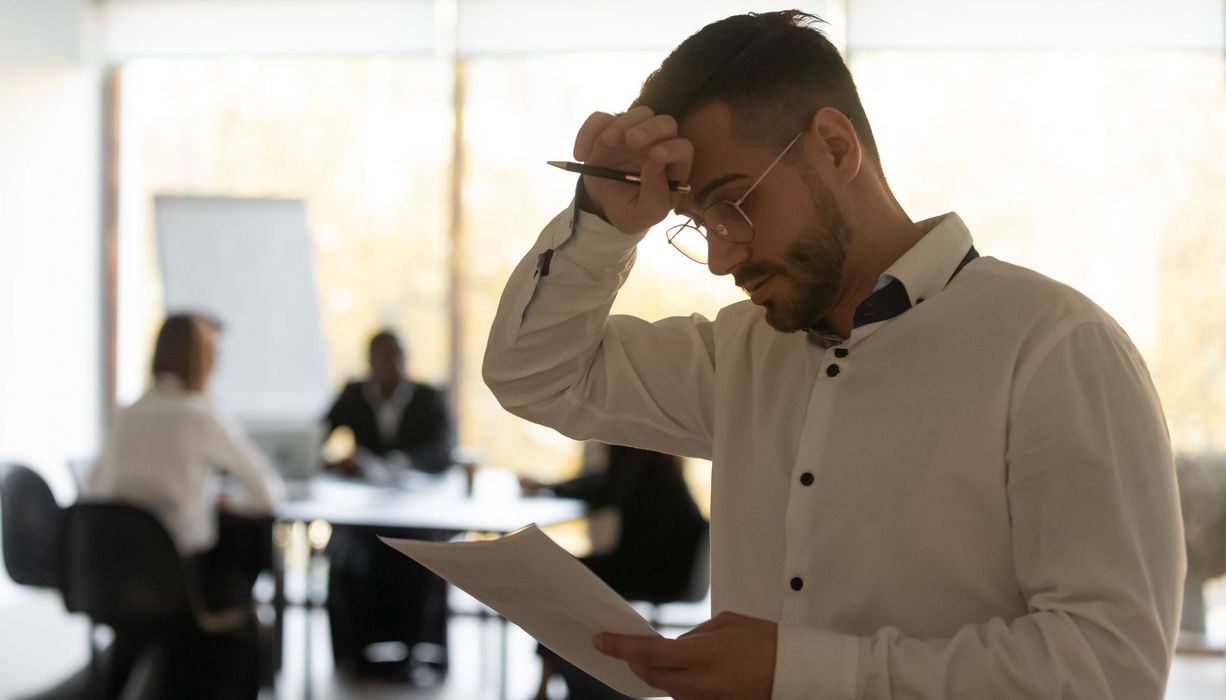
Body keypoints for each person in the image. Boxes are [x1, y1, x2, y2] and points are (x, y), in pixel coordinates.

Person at [482, 10, 1185, 700]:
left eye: (735, 204)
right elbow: (536, 374)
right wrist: (602, 221)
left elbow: (1110, 669)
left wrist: (799, 673)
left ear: (836, 147)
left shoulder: (1054, 348)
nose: (722, 256)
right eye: (698, 224)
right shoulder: (742, 357)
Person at [87, 312, 285, 698]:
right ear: (199, 359)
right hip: (180, 584)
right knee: (243, 567)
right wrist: (220, 500)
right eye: (213, 353)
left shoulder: (125, 414)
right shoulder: (199, 417)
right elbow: (267, 492)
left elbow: (95, 492)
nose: (217, 362)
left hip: (112, 575)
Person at [320, 328, 456, 683]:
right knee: (347, 555)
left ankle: (417, 652)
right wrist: (340, 462)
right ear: (370, 362)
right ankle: (355, 653)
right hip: (362, 515)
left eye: (398, 357)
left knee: (421, 556)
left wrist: (398, 463)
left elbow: (444, 451)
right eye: (384, 358)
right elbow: (317, 439)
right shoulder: (352, 395)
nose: (392, 365)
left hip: (418, 512)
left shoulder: (429, 397)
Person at [521, 443, 708, 699]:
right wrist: (551, 486)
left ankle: (550, 686)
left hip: (655, 569)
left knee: (561, 575)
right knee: (565, 573)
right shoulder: (650, 443)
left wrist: (551, 488)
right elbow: (608, 481)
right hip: (667, 563)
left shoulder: (630, 438)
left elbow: (609, 490)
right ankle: (556, 682)